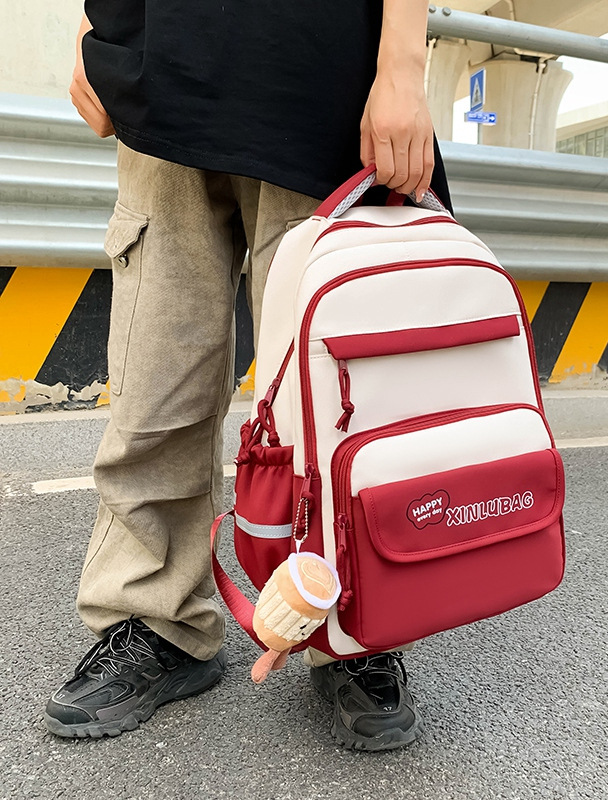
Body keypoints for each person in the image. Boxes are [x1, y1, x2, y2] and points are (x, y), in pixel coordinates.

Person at [45, 0, 451, 752]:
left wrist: (402, 63)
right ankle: (153, 619)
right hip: (162, 63)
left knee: (335, 406)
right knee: (154, 385)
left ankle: (351, 628)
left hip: (317, 77)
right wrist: (90, 26)